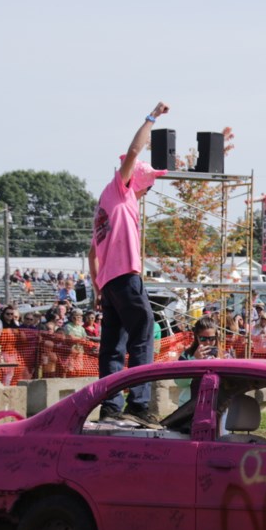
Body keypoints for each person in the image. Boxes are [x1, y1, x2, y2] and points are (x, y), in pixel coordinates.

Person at [88, 102, 170, 425]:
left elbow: (91, 252)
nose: (147, 192)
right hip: (124, 278)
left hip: (109, 285)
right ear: (134, 180)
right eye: (146, 186)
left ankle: (110, 408)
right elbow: (134, 150)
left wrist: (97, 287)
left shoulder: (104, 204)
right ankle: (139, 404)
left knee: (112, 346)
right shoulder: (120, 190)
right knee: (144, 331)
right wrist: (152, 117)